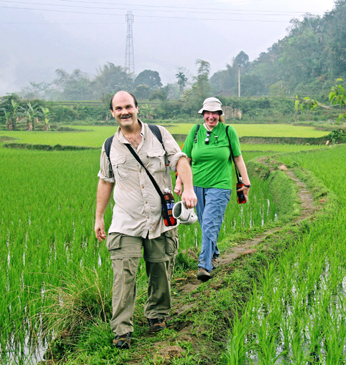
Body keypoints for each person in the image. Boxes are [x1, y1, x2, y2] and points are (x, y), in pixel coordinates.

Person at [95, 91, 197, 350]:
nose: (124, 112)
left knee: (160, 271)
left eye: (128, 106)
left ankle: (157, 316)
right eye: (118, 108)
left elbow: (180, 160)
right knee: (123, 278)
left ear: (137, 108)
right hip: (125, 222)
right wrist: (99, 217)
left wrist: (188, 189)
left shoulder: (159, 134)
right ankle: (122, 331)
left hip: (159, 220)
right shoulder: (109, 146)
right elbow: (105, 181)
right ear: (112, 113)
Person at [175, 97, 251, 281]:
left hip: (220, 185)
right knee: (205, 223)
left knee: (210, 222)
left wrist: (246, 183)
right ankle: (214, 254)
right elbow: (185, 159)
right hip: (196, 185)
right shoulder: (195, 131)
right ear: (203, 114)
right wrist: (180, 183)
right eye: (207, 113)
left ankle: (204, 265)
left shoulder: (228, 131)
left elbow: (238, 159)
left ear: (219, 115)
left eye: (214, 113)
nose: (211, 116)